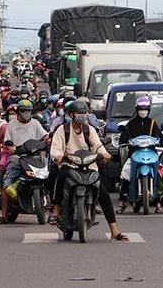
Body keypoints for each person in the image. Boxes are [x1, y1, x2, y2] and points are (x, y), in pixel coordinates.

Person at [48, 101, 128, 241]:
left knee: (103, 192)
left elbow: (97, 145)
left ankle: (114, 230)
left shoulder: (89, 129)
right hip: (70, 165)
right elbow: (56, 148)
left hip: (89, 166)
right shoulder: (63, 130)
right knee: (60, 176)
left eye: (84, 113)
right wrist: (58, 155)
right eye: (79, 114)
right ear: (71, 115)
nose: (82, 116)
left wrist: (104, 154)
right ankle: (55, 210)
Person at [0, 99, 51, 221]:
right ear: (18, 112)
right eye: (23, 110)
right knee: (6, 184)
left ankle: (53, 211)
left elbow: (44, 136)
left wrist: (50, 141)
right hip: (17, 158)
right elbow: (8, 143)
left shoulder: (35, 123)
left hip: (34, 157)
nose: (25, 113)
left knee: (50, 180)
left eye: (28, 111)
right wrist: (12, 148)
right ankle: (3, 214)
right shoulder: (12, 124)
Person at [116, 96, 163, 214]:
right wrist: (125, 141)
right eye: (140, 109)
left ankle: (158, 203)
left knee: (159, 174)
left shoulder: (152, 123)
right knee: (125, 173)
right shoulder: (131, 123)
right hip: (134, 153)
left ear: (149, 110)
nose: (143, 111)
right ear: (137, 109)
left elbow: (159, 135)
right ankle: (122, 202)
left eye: (145, 109)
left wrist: (162, 139)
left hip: (151, 153)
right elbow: (125, 136)